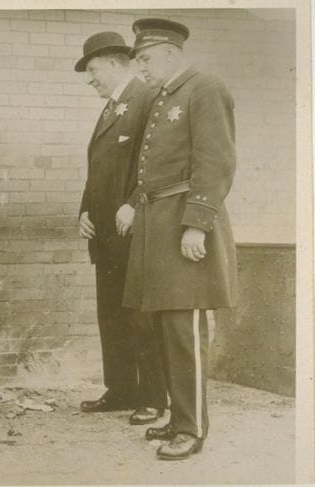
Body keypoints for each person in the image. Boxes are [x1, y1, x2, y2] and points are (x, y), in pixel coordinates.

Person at [120, 18, 238, 460]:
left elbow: (217, 160)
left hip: (184, 221)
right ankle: (178, 417)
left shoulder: (205, 88)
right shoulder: (162, 95)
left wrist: (197, 223)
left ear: (171, 53)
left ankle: (192, 428)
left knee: (184, 329)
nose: (142, 68)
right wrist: (134, 201)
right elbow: (157, 167)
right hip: (157, 221)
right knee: (163, 326)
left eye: (146, 58)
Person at [74, 32, 168, 424]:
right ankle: (121, 390)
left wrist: (134, 203)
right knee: (111, 314)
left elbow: (157, 162)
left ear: (114, 63)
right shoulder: (111, 107)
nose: (90, 79)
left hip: (135, 230)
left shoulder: (146, 99)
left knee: (140, 316)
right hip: (107, 235)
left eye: (93, 69)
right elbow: (100, 169)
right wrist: (84, 210)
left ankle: (153, 397)